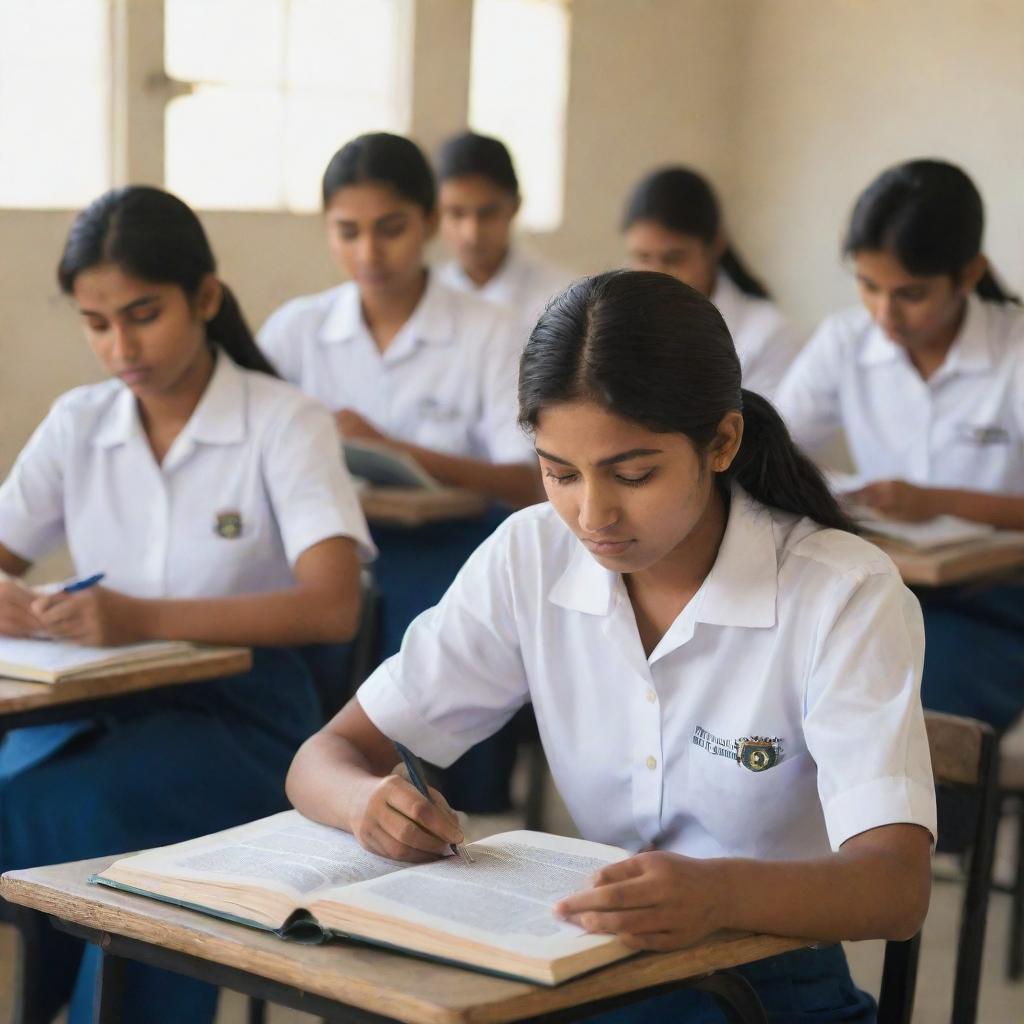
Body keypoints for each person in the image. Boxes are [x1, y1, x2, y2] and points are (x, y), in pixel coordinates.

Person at [287, 270, 936, 1023]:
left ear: (722, 441)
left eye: (633, 473)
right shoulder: (530, 554)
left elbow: (895, 888)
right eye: (558, 473)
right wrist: (368, 803)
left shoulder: (841, 592)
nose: (593, 514)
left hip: (767, 982)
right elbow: (322, 759)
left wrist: (718, 894)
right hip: (590, 965)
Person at [0, 186, 373, 1024]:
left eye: (143, 313)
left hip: (244, 724)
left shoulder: (285, 422)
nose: (120, 345)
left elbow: (332, 605)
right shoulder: (79, 423)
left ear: (205, 297)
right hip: (100, 709)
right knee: (19, 792)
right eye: (97, 324)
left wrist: (140, 616)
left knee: (84, 805)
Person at [259, 133, 540, 811]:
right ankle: (315, 783)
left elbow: (527, 479)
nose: (369, 253)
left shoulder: (490, 329)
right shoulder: (297, 329)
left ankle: (452, 801)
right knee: (293, 613)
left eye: (390, 229)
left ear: (429, 224)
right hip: (335, 543)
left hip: (452, 544)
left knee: (437, 612)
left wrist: (397, 449)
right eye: (347, 231)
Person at [776, 158, 1024, 733]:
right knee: (793, 669)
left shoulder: (1014, 352)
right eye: (868, 286)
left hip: (998, 602)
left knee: (907, 694)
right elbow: (772, 449)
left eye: (911, 293)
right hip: (885, 585)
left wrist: (937, 501)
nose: (886, 314)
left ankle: (929, 825)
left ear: (969, 275)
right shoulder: (845, 341)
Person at [624, 166, 798, 399]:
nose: (656, 274)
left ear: (715, 245)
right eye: (643, 257)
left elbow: (764, 432)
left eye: (673, 259)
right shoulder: (610, 322)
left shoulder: (769, 334)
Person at [435, 131, 574, 328]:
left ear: (515, 206)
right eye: (456, 214)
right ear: (435, 213)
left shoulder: (561, 302)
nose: (472, 233)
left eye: (487, 213)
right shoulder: (421, 300)